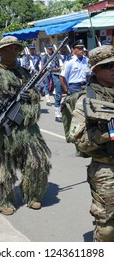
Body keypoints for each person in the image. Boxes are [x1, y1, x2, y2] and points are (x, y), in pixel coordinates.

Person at [0, 36, 51, 216]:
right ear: (1, 52)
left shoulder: (24, 73)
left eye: (16, 48)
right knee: (1, 169)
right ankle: (2, 200)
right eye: (9, 48)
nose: (13, 51)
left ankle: (32, 193)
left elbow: (36, 96)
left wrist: (31, 99)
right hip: (2, 127)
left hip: (26, 128)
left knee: (38, 162)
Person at [62, 44, 114, 242]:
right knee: (107, 227)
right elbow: (80, 141)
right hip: (107, 170)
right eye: (107, 66)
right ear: (96, 70)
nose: (113, 69)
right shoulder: (86, 101)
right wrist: (108, 134)